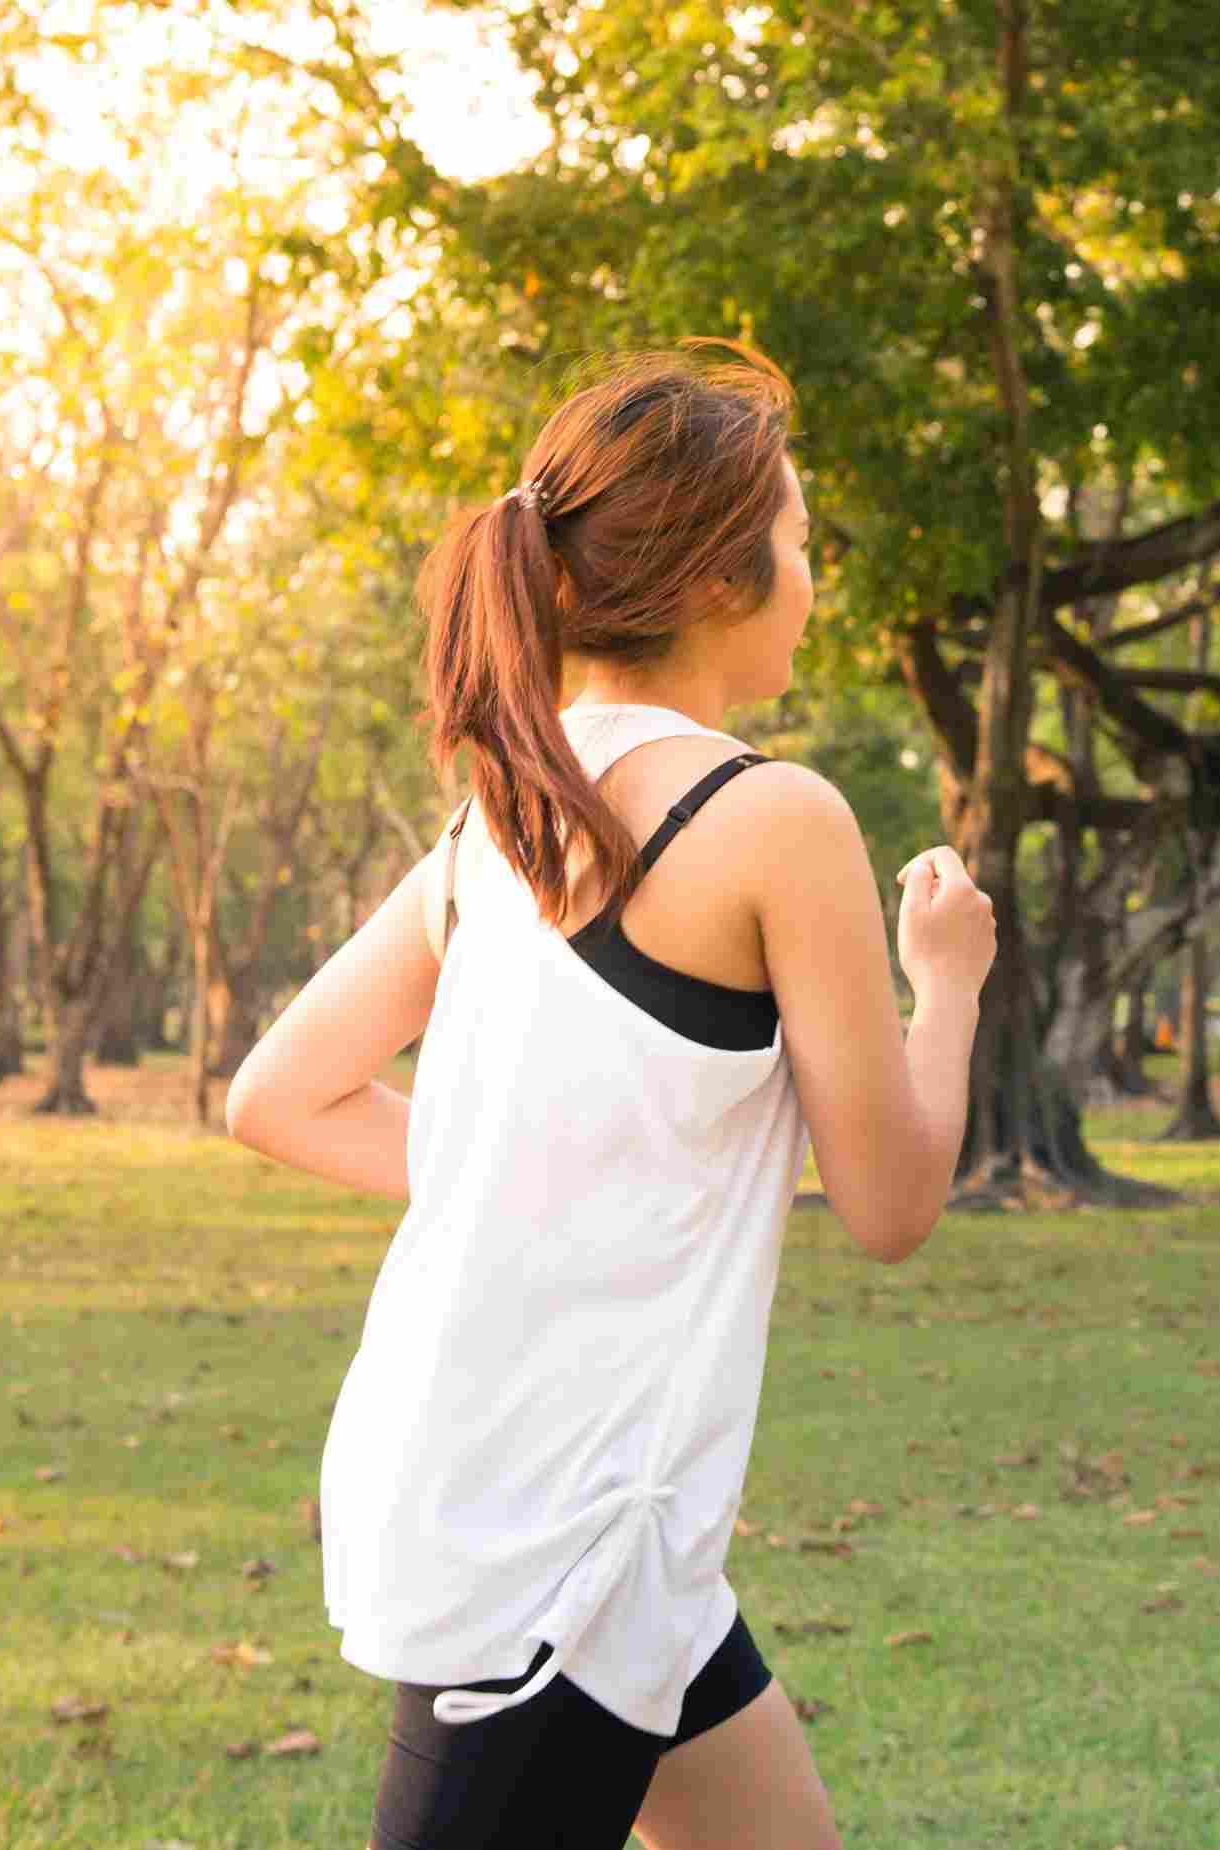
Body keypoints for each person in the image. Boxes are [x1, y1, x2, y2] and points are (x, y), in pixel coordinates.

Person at [226, 341, 996, 1850]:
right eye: (795, 542)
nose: (809, 574)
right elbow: (894, 1200)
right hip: (553, 1557)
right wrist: (949, 981)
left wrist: (532, 1171)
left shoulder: (498, 819)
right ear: (717, 578)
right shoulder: (774, 817)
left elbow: (279, 1095)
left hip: (595, 1533)